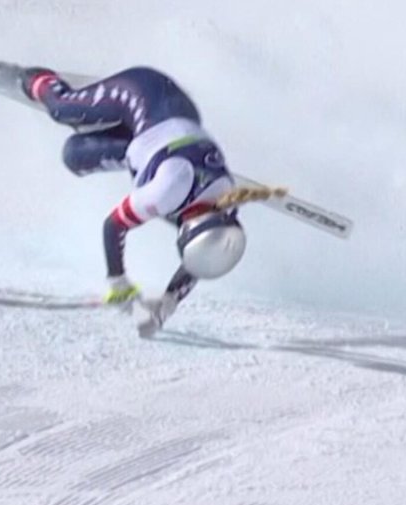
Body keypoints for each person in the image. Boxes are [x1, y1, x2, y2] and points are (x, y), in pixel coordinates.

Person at [20, 65, 246, 330]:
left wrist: (166, 305)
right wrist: (119, 283)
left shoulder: (225, 213)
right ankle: (33, 79)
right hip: (145, 95)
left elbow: (202, 260)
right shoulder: (168, 190)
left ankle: (118, 129)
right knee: (62, 110)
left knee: (74, 156)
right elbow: (113, 225)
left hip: (162, 132)